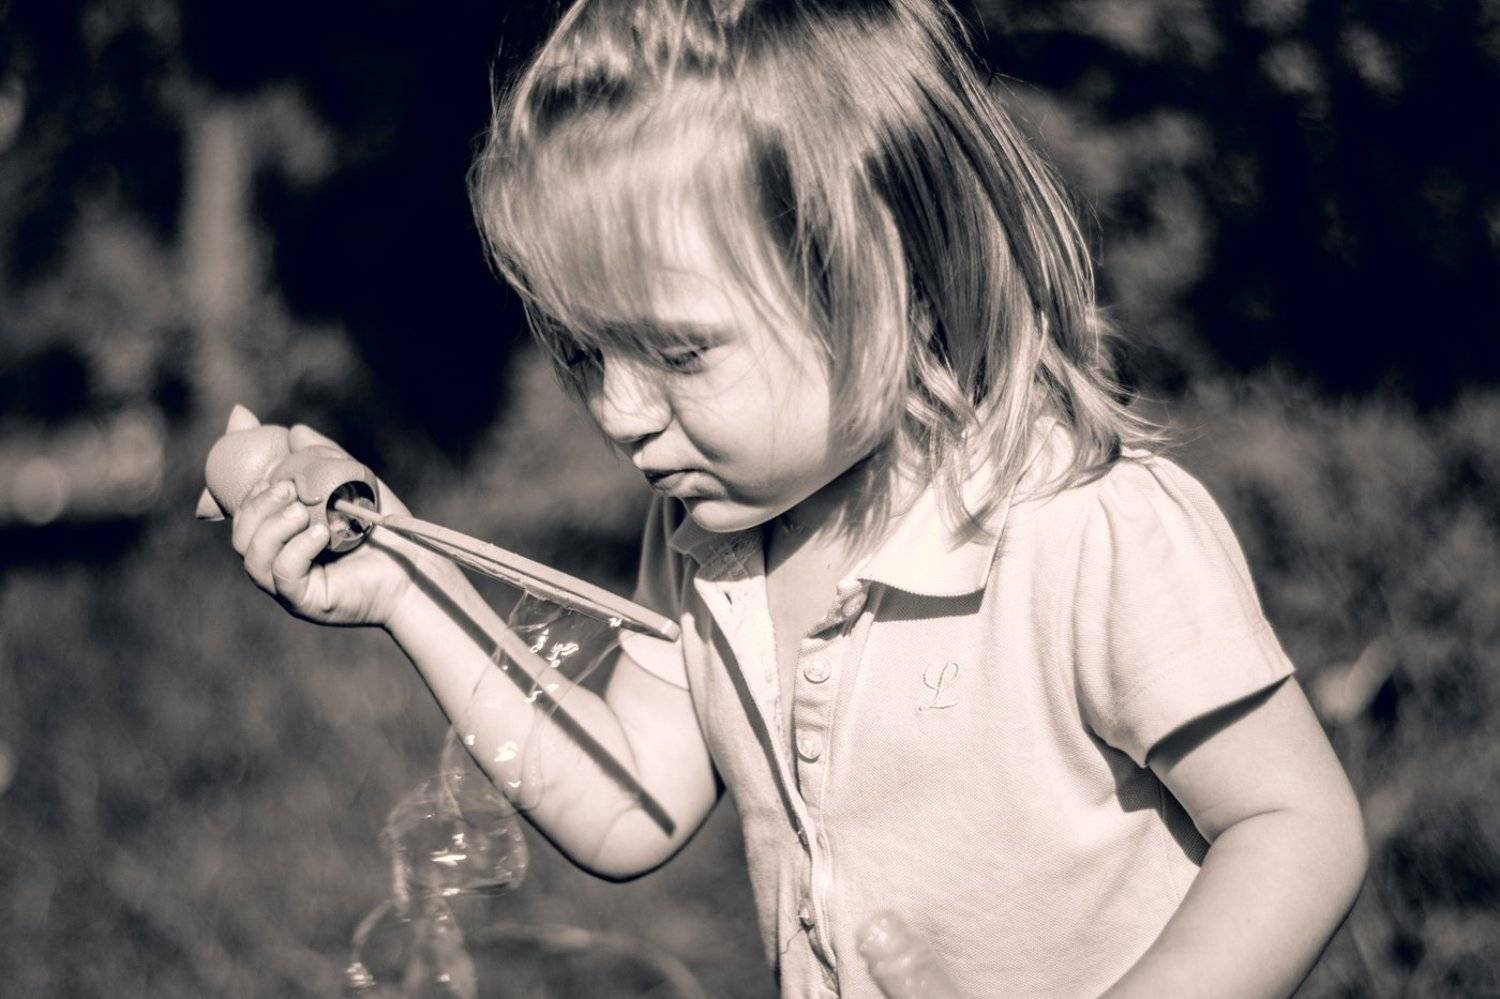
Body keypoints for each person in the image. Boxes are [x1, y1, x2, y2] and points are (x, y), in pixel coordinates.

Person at [226, 1, 1368, 995]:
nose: (617, 410)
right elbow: (630, 804)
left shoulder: (1080, 529)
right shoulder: (709, 544)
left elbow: (1295, 826)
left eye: (678, 353)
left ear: (890, 281)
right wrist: (406, 582)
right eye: (584, 353)